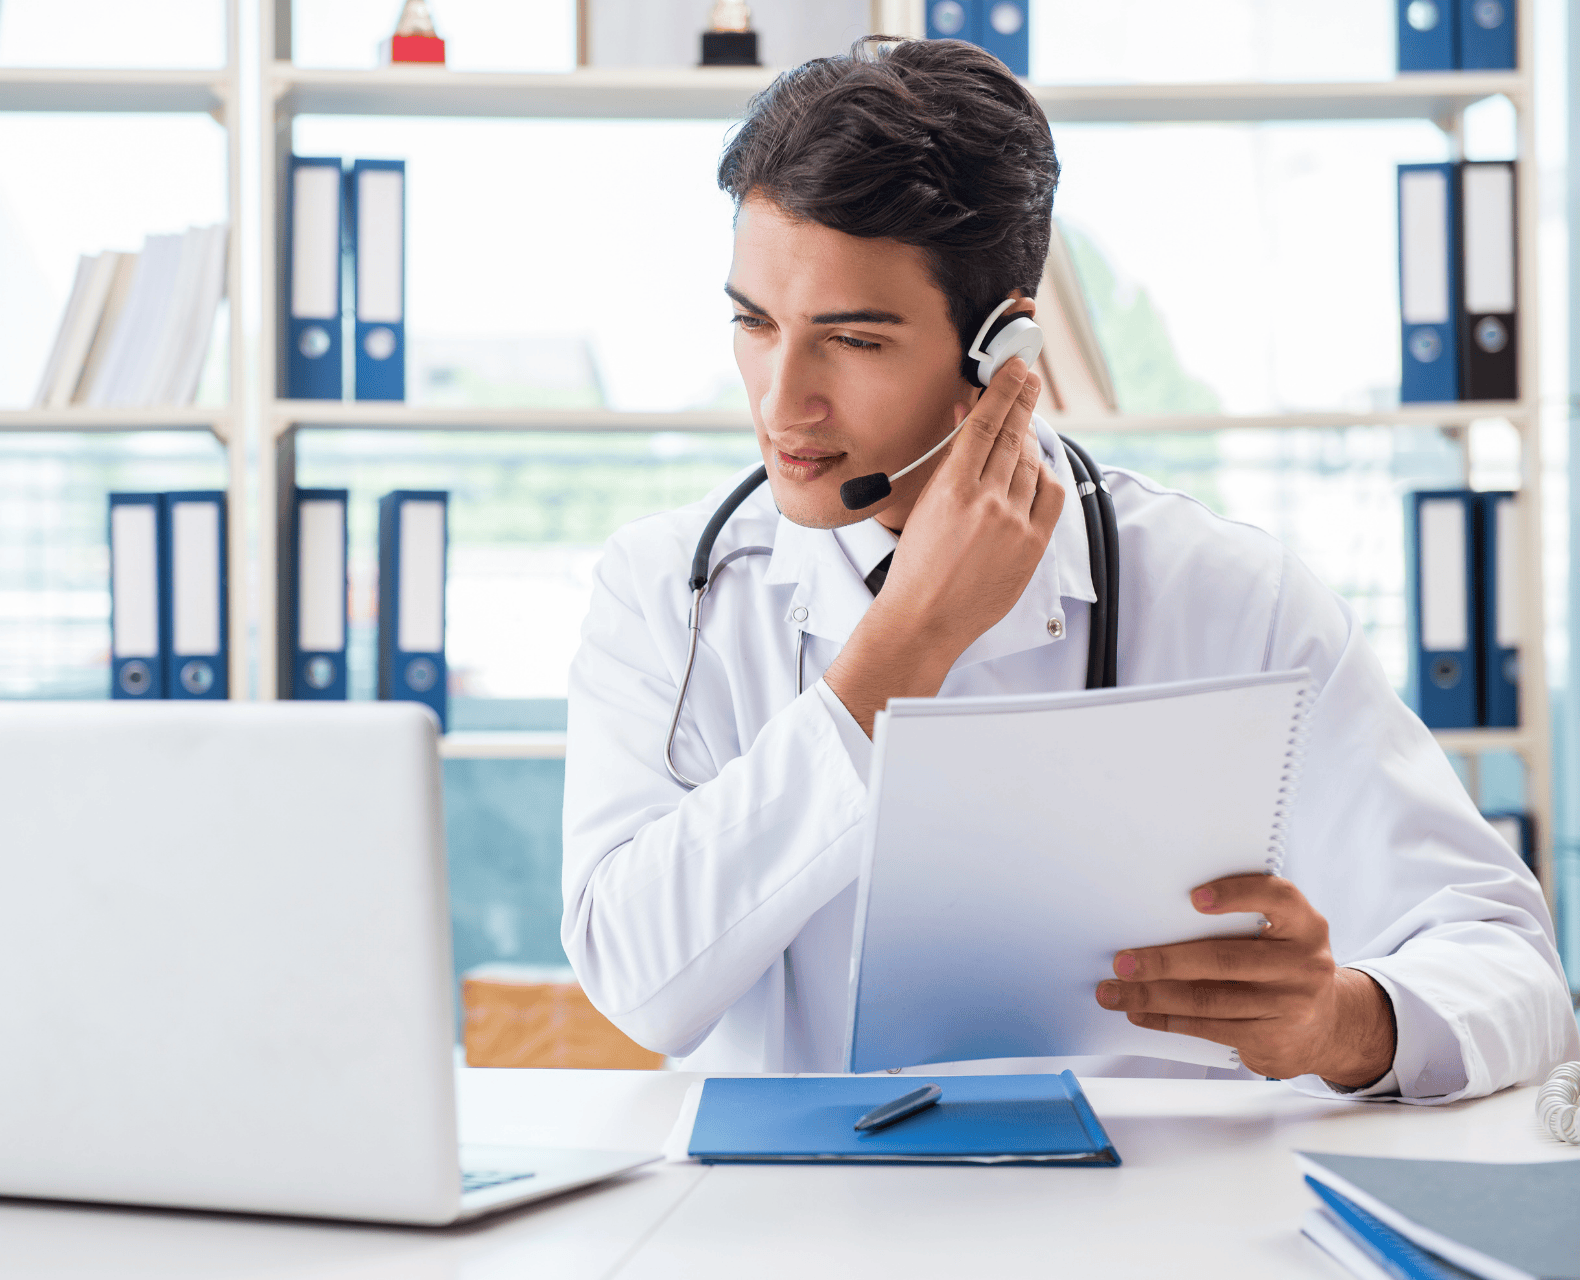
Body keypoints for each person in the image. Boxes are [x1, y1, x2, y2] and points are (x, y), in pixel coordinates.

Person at [560, 37, 1578, 1100]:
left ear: (1003, 347)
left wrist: (1345, 1020)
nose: (781, 401)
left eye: (852, 340)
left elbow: (1515, 970)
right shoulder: (672, 587)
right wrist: (900, 651)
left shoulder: (1229, 595)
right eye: (754, 323)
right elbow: (638, 983)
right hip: (790, 1235)